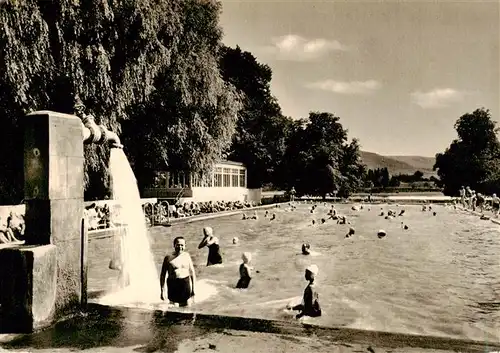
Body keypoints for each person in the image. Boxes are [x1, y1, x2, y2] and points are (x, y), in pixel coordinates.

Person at [160, 237, 196, 307]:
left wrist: (194, 289)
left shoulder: (187, 256)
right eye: (178, 245)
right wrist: (162, 291)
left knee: (187, 306)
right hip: (173, 284)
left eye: (182, 245)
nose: (180, 247)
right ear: (174, 245)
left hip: (185, 283)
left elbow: (192, 273)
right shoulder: (168, 258)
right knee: (174, 307)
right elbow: (162, 275)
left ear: (185, 246)